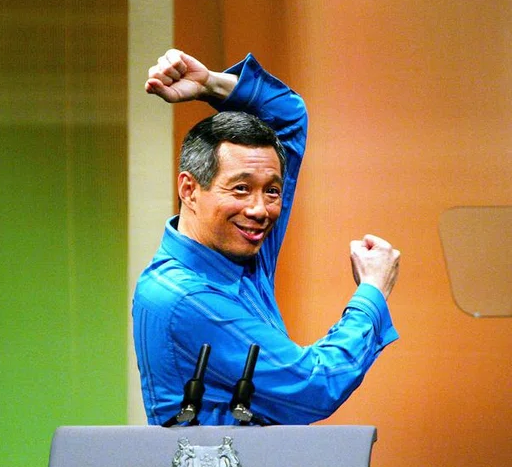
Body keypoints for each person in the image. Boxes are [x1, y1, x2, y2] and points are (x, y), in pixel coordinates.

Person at [133, 49, 401, 425]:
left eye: (272, 191)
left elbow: (288, 117)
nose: (260, 209)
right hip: (221, 466)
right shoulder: (184, 297)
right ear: (189, 190)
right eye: (241, 189)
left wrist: (209, 84)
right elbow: (315, 385)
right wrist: (372, 291)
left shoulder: (240, 245)